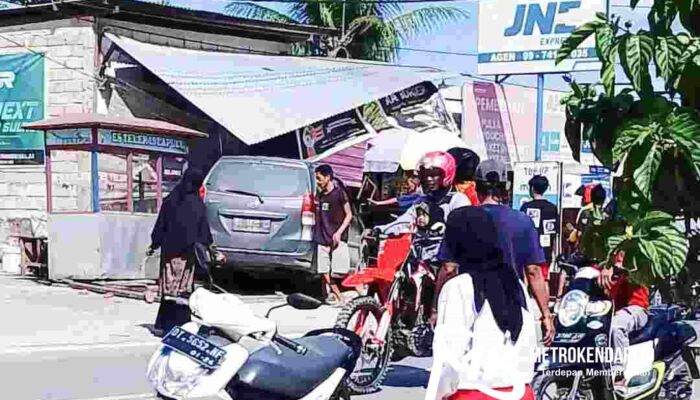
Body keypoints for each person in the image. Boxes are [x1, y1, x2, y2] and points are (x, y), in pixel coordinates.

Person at [426, 206, 537, 400]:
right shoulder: (515, 285)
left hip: (474, 394)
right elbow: (529, 345)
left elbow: (449, 359)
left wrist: (438, 394)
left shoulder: (459, 287)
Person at [470, 159, 554, 345]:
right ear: (505, 188)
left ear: (476, 187)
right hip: (510, 302)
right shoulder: (522, 221)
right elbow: (533, 271)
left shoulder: (462, 218)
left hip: (470, 304)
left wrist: (436, 309)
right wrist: (545, 315)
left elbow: (449, 267)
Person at [148, 167, 215, 336]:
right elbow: (203, 230)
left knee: (169, 287)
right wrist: (211, 248)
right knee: (182, 289)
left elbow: (160, 225)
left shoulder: (171, 199)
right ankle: (179, 325)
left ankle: (164, 324)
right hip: (185, 254)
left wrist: (154, 244)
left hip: (169, 252)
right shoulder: (197, 204)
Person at [597, 253, 649, 392]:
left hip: (636, 307)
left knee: (616, 326)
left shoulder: (633, 246)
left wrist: (612, 268)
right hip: (609, 309)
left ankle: (618, 375)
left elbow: (635, 264)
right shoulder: (602, 247)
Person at [314, 164, 353, 306]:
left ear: (328, 177)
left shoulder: (339, 193)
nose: (317, 182)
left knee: (340, 271)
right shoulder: (320, 195)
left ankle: (359, 290)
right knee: (323, 270)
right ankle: (337, 297)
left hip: (337, 237)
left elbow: (349, 215)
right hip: (322, 237)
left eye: (319, 178)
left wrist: (339, 232)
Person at [520, 175, 560, 286]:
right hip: (545, 249)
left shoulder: (526, 207)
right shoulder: (552, 208)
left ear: (532, 188)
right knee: (544, 279)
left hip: (528, 248)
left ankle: (526, 302)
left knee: (526, 278)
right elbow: (555, 231)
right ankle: (544, 303)